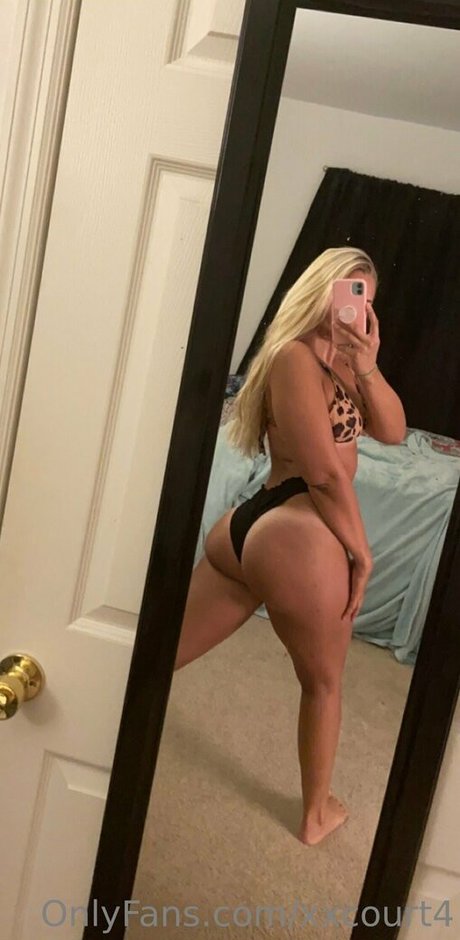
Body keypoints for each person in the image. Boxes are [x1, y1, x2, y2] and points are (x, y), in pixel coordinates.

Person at [174, 246, 407, 845]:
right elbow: (324, 474)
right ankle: (315, 814)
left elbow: (394, 431)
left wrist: (368, 364)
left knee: (158, 653)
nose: (354, 306)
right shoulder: (294, 357)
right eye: (347, 290)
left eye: (364, 297)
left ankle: (102, 717)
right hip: (298, 530)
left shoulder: (344, 363)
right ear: (320, 288)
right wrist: (360, 551)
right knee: (324, 684)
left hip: (259, 530)